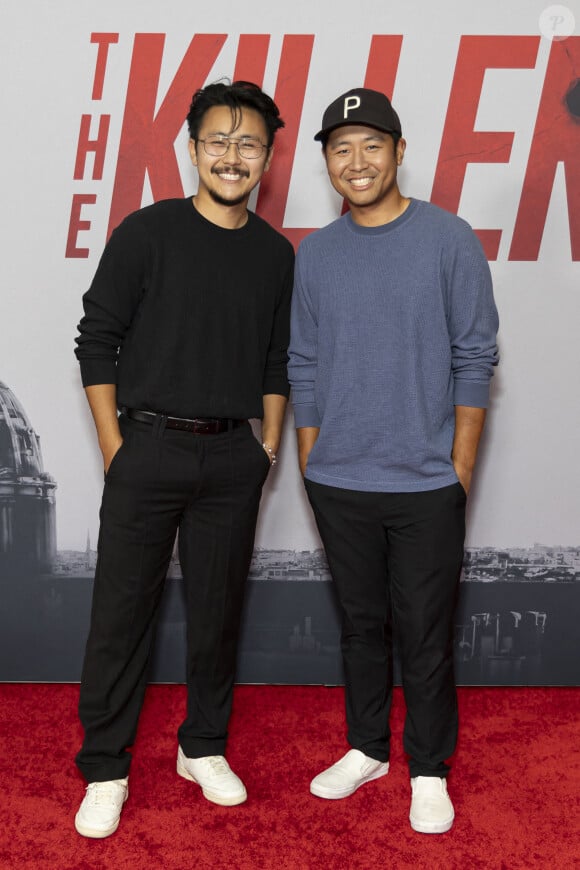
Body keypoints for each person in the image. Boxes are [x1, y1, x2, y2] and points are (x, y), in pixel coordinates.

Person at [73, 80, 294, 838]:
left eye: (249, 144)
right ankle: (105, 765)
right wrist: (114, 444)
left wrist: (264, 449)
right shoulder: (147, 232)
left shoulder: (274, 253)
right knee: (120, 617)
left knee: (218, 614)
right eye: (218, 142)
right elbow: (96, 339)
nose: (233, 157)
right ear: (192, 148)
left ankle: (201, 746)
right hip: (148, 447)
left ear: (268, 156)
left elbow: (274, 362)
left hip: (232, 457)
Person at [288, 88, 499, 834]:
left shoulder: (449, 239)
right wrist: (311, 460)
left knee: (426, 632)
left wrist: (460, 467)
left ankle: (430, 767)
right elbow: (304, 364)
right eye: (341, 149)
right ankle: (368, 747)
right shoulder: (314, 253)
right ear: (327, 162)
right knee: (358, 626)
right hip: (339, 480)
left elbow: (476, 358)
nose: (357, 161)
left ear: (400, 152)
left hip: (424, 483)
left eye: (371, 145)